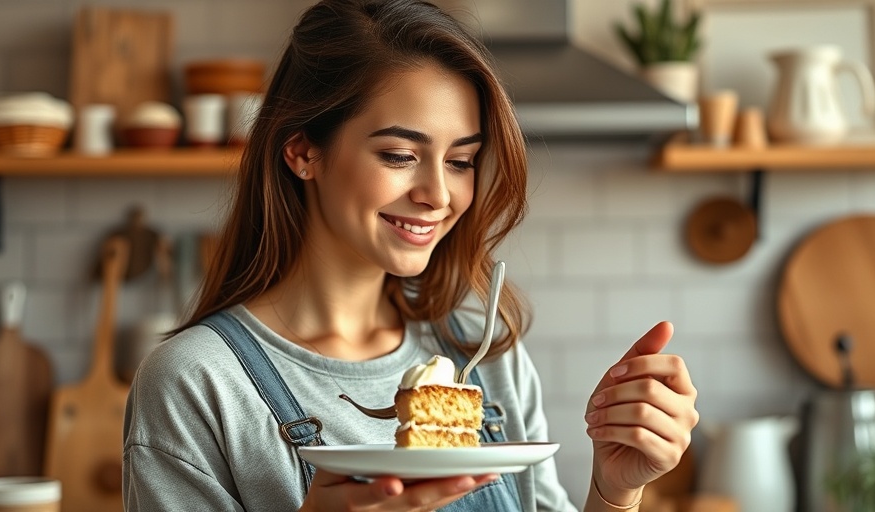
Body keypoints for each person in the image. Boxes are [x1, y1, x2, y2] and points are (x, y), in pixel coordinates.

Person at [122, 0, 699, 510]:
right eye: (399, 155)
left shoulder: (482, 347)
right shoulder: (198, 383)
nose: (439, 196)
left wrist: (615, 488)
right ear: (302, 151)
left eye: (461, 160)